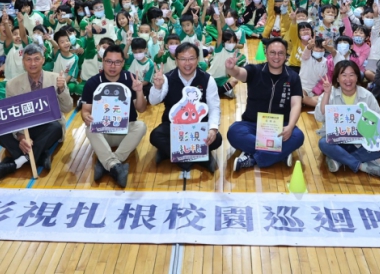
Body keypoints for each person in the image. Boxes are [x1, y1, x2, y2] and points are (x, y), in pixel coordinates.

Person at [0, 44, 74, 180]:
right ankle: (40, 155)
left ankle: (15, 163)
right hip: (24, 126)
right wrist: (21, 137)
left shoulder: (56, 78)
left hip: (47, 126)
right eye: (28, 59)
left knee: (56, 127)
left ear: (43, 60)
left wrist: (61, 90)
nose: (33, 63)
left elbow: (68, 108)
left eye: (36, 59)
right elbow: (11, 117)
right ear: (23, 62)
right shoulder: (12, 84)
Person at [225, 38, 305, 171]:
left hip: (280, 128)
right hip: (252, 124)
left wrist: (290, 127)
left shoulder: (293, 77)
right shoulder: (255, 70)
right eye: (272, 52)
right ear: (266, 54)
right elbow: (239, 73)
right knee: (234, 132)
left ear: (286, 56)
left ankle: (253, 158)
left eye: (280, 53)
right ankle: (279, 154)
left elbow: (296, 104)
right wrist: (232, 68)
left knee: (298, 136)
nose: (276, 57)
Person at [81, 44, 148, 188]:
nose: (113, 66)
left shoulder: (131, 79)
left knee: (141, 126)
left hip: (125, 132)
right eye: (109, 61)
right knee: (88, 128)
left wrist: (139, 91)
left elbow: (141, 109)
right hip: (103, 132)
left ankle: (108, 162)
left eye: (117, 62)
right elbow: (85, 110)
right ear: (103, 61)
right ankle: (116, 166)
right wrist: (86, 116)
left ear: (123, 63)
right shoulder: (93, 82)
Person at [148, 42, 221, 173]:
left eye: (191, 58)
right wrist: (157, 87)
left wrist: (213, 128)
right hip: (173, 126)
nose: (187, 63)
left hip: (198, 126)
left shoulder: (207, 79)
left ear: (198, 59)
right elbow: (153, 101)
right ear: (176, 60)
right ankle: (201, 157)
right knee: (155, 136)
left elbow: (214, 107)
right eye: (182, 59)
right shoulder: (167, 78)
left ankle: (172, 154)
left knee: (217, 139)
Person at [315, 60, 380, 178]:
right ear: (337, 79)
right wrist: (327, 94)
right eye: (344, 75)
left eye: (351, 75)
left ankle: (340, 160)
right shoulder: (330, 93)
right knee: (323, 143)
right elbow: (319, 116)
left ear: (357, 77)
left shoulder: (367, 95)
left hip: (361, 142)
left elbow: (379, 121)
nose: (348, 79)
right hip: (337, 141)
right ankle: (361, 166)